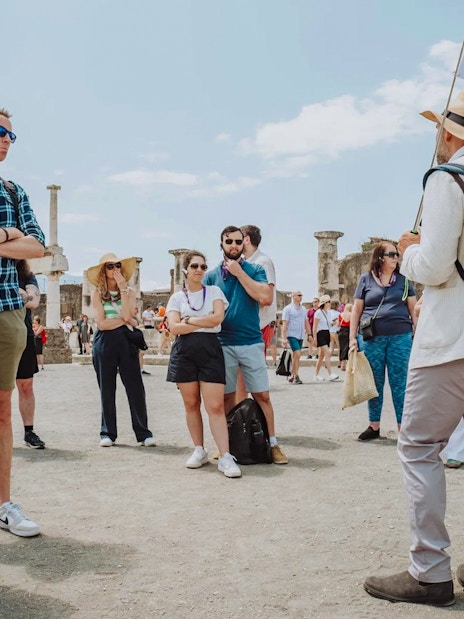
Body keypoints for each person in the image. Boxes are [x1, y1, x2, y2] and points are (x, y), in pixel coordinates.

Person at [363, 91, 464, 607]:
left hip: (453, 338)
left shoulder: (449, 178)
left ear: (450, 133)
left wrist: (408, 252)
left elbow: (438, 266)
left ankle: (430, 570)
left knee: (419, 444)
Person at [203, 225, 288, 464]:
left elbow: (266, 297)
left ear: (244, 244)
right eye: (228, 241)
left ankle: (272, 444)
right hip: (223, 342)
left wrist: (240, 273)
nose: (233, 245)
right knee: (227, 397)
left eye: (237, 242)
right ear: (221, 244)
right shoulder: (211, 276)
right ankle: (227, 446)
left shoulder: (255, 269)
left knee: (262, 395)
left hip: (250, 341)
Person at [0, 107, 45, 537]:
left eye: (10, 134)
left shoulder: (14, 192)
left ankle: (3, 503)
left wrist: (5, 236)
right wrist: (10, 235)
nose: (6, 140)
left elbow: (38, 246)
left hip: (8, 310)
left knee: (1, 413)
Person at [166, 250, 241, 478]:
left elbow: (217, 319)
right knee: (191, 404)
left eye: (202, 266)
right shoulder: (177, 298)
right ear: (185, 270)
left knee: (215, 406)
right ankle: (199, 449)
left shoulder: (214, 291)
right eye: (194, 266)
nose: (199, 270)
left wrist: (188, 320)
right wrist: (201, 322)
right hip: (184, 351)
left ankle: (225, 455)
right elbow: (174, 328)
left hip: (210, 349)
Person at [349, 241, 416, 441]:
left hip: (401, 337)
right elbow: (356, 310)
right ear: (380, 257)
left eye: (397, 254)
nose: (396, 258)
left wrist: (418, 333)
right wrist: (352, 338)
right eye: (392, 254)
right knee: (374, 383)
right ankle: (374, 426)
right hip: (372, 338)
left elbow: (413, 310)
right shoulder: (365, 280)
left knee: (400, 383)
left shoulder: (404, 282)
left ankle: (402, 427)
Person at [88, 253, 155, 448]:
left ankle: (143, 433)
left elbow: (126, 314)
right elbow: (102, 323)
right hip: (105, 342)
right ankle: (108, 432)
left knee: (135, 387)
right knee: (106, 388)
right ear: (103, 270)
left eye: (117, 265)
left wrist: (124, 291)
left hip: (126, 341)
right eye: (110, 266)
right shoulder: (97, 293)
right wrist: (127, 321)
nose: (114, 269)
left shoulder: (130, 291)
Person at [16, 260, 45, 449]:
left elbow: (34, 301)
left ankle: (29, 432)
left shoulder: (26, 275)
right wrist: (21, 293)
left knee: (26, 385)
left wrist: (14, 293)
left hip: (24, 334)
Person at [281, 291, 310, 384]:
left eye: (301, 295)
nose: (301, 297)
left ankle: (293, 374)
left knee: (296, 356)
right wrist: (284, 338)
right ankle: (296, 375)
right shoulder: (287, 309)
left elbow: (306, 322)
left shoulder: (303, 309)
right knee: (297, 353)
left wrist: (309, 334)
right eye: (299, 295)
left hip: (301, 334)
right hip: (291, 334)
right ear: (293, 297)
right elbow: (284, 324)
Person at [313, 295, 339, 382]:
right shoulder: (318, 312)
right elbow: (315, 326)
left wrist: (333, 324)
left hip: (326, 332)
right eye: (328, 302)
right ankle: (330, 374)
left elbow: (327, 324)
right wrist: (315, 338)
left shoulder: (327, 312)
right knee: (327, 353)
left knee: (321, 356)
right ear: (325, 303)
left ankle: (316, 375)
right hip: (320, 333)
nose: (330, 303)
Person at [338, 303, 352, 371]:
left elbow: (338, 324)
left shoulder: (340, 314)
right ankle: (347, 364)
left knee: (342, 347)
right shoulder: (351, 314)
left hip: (341, 331)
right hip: (348, 331)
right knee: (347, 347)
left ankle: (342, 363)